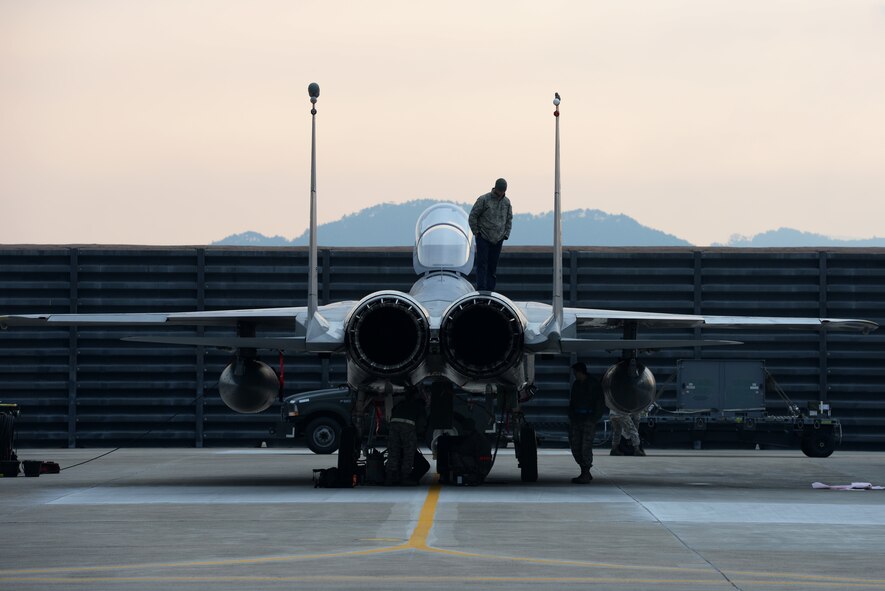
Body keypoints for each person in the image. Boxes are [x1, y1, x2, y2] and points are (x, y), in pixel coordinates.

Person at [468, 178, 513, 291]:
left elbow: (509, 219)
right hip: (483, 237)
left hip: (498, 239)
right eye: (500, 190)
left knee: (492, 266)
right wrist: (476, 232)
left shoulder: (507, 202)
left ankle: (490, 290)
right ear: (496, 188)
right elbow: (473, 216)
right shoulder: (484, 199)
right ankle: (481, 288)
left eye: (503, 191)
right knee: (482, 264)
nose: (501, 193)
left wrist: (505, 235)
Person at [567, 362, 605, 484]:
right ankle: (584, 470)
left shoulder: (593, 384)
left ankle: (585, 471)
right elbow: (572, 402)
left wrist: (593, 419)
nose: (575, 375)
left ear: (580, 372)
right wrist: (572, 416)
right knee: (575, 445)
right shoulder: (576, 385)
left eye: (576, 372)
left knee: (585, 446)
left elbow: (599, 402)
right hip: (577, 419)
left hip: (588, 419)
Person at [385, 387, 426, 486]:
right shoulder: (419, 405)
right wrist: (419, 433)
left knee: (393, 451)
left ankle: (390, 477)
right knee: (409, 452)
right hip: (407, 425)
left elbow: (392, 412)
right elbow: (421, 424)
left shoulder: (401, 403)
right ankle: (405, 477)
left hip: (394, 423)